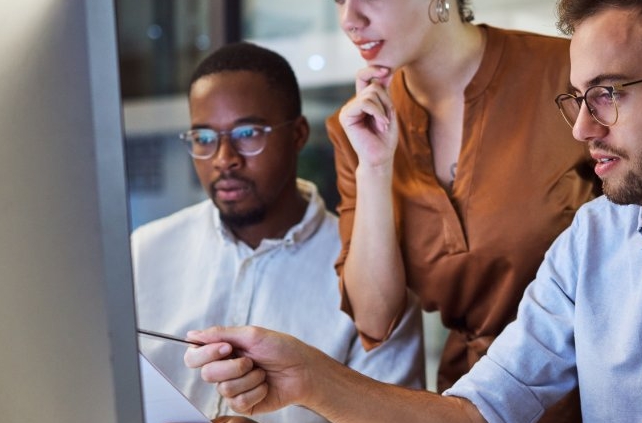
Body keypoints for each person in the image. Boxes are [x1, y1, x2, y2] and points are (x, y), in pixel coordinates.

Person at [183, 1, 642, 422]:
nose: (582, 130)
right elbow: (478, 410)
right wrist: (308, 380)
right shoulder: (594, 237)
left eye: (609, 93)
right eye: (578, 97)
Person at [131, 42, 424, 423]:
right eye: (204, 138)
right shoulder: (143, 253)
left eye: (248, 133)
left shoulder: (371, 278)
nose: (224, 158)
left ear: (298, 134)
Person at [329, 0, 596, 409]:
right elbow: (375, 319)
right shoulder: (358, 125)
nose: (350, 19)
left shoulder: (569, 74)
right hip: (469, 399)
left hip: (597, 390)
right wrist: (375, 167)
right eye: (338, 0)